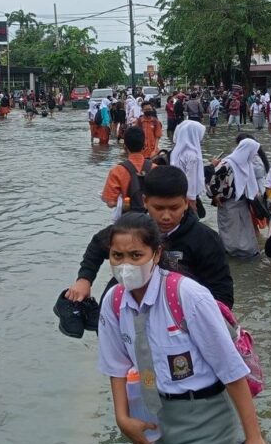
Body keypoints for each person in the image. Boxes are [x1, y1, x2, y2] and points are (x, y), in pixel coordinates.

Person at [97, 214, 265, 444]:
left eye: (136, 256)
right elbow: (117, 367)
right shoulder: (113, 302)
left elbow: (231, 369)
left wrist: (254, 438)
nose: (126, 265)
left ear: (156, 254)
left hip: (206, 420)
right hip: (152, 417)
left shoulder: (187, 296)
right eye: (118, 256)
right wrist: (123, 418)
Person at [66, 165, 235, 309]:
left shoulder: (206, 240)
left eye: (174, 208)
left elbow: (222, 294)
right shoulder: (132, 229)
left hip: (181, 317)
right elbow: (97, 245)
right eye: (159, 208)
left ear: (185, 202)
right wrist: (84, 279)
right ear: (145, 201)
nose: (166, 216)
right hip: (129, 309)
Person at [208, 138, 262, 259]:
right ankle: (231, 254)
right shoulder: (226, 164)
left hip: (242, 203)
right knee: (229, 230)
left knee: (244, 228)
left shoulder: (246, 164)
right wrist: (214, 195)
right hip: (228, 203)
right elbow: (210, 181)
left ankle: (247, 253)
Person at [102, 127, 151, 216]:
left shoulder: (116, 171)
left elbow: (110, 203)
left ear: (125, 146)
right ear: (144, 145)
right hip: (151, 221)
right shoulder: (156, 168)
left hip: (127, 223)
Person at [170, 120, 207, 214]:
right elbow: (191, 180)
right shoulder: (192, 155)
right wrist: (192, 202)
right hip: (187, 198)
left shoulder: (176, 151)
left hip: (176, 192)